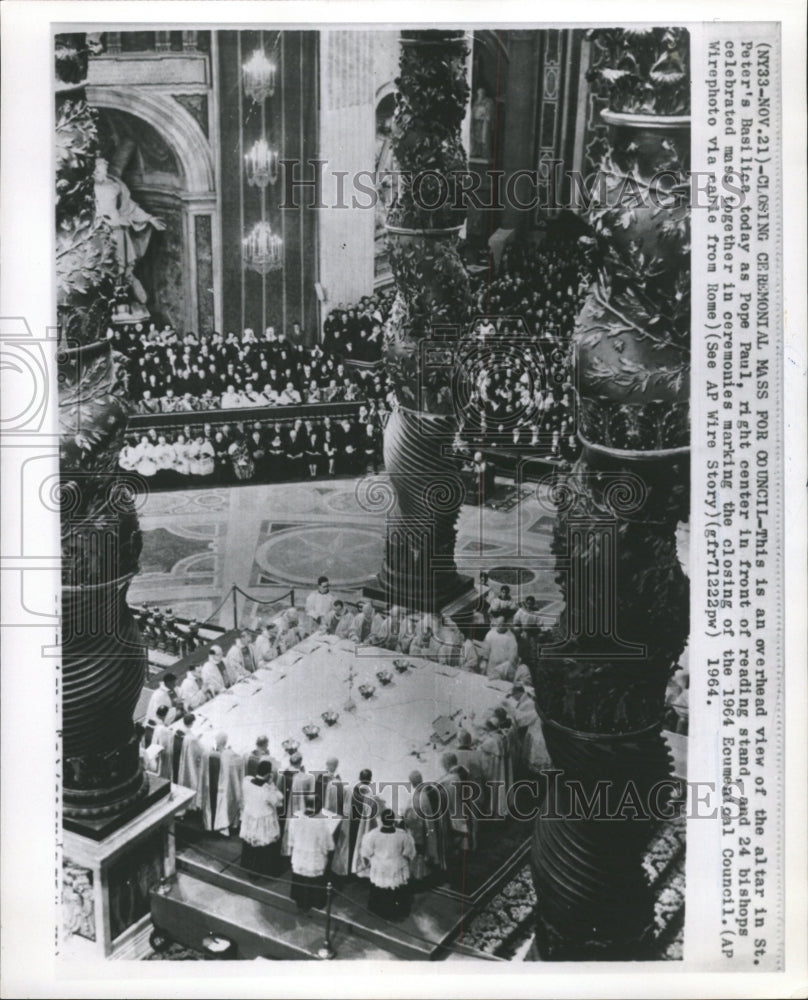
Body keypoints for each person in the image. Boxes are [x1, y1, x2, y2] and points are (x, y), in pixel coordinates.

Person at [361, 809, 416, 920]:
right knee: (396, 891)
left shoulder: (372, 835)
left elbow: (366, 853)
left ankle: (377, 912)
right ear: (393, 821)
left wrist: (376, 859)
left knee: (379, 891)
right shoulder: (403, 835)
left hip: (379, 868)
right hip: (396, 868)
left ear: (381, 820)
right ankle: (395, 914)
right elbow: (409, 853)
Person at [287, 799, 335, 911]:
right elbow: (327, 844)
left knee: (300, 878)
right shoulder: (320, 823)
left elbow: (291, 837)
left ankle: (299, 901)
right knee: (313, 880)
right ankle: (313, 902)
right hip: (314, 858)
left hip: (299, 855)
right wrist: (328, 850)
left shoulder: (296, 817)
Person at [239, 760, 285, 877]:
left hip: (250, 817)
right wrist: (272, 784)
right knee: (262, 845)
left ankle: (246, 864)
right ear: (269, 774)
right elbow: (279, 801)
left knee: (250, 842)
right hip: (263, 820)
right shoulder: (266, 789)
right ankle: (260, 870)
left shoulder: (247, 781)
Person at [200, 732, 244, 835]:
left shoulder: (206, 753)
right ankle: (222, 827)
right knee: (224, 804)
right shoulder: (230, 756)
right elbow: (238, 766)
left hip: (209, 786)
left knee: (210, 805)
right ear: (225, 742)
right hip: (222, 789)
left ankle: (209, 825)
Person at [480, 616, 519, 682]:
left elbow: (512, 658)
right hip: (491, 668)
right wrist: (484, 662)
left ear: (506, 625)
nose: (500, 626)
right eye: (499, 624)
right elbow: (485, 651)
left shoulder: (511, 638)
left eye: (502, 624)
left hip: (503, 671)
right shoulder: (490, 634)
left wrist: (503, 669)